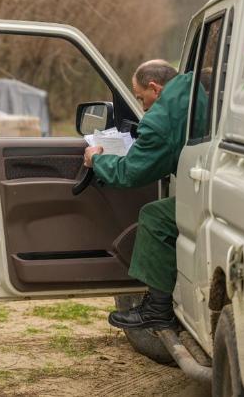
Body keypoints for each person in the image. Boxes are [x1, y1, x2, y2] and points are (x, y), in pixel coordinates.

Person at [83, 59, 198, 330]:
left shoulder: (161, 118)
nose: (143, 106)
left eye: (141, 97)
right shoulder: (193, 85)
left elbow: (131, 174)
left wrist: (97, 160)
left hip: (210, 194)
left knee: (155, 217)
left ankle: (157, 310)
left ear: (155, 88)